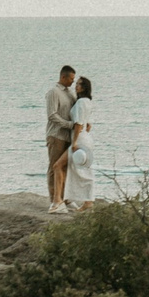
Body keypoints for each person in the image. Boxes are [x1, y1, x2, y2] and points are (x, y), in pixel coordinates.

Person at [62, 77, 99, 210]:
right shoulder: (87, 102)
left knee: (79, 170)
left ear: (84, 87)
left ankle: (86, 200)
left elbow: (78, 124)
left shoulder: (80, 103)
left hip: (80, 139)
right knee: (80, 169)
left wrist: (74, 141)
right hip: (86, 137)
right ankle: (72, 198)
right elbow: (87, 123)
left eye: (79, 84)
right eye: (76, 84)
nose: (76, 86)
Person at [46, 65, 76, 211]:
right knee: (54, 167)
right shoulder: (54, 92)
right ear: (63, 77)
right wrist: (69, 125)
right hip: (56, 135)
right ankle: (54, 200)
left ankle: (64, 197)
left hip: (69, 137)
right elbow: (52, 115)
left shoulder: (70, 93)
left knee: (66, 168)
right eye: (71, 79)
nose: (73, 82)